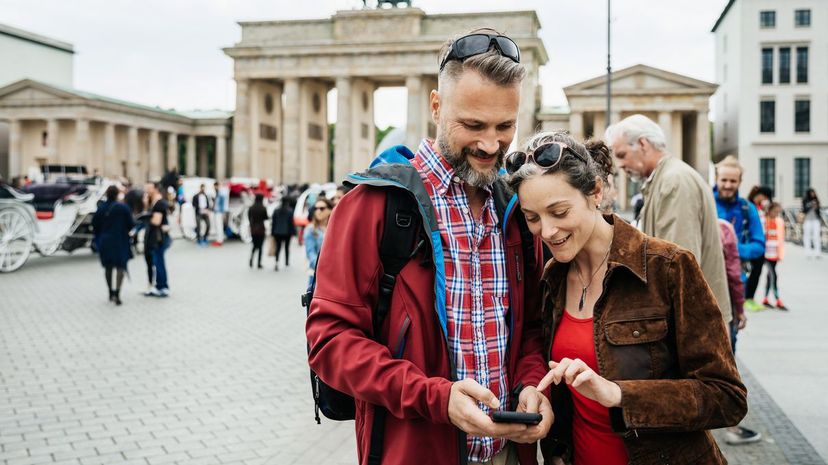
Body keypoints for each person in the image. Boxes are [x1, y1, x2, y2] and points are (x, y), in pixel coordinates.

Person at [306, 29, 551, 465]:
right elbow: (330, 341)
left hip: (508, 454)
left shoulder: (515, 210)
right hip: (415, 451)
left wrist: (532, 384)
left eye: (505, 126)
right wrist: (436, 397)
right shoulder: (372, 206)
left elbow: (530, 328)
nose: (491, 144)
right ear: (436, 106)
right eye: (473, 125)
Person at [506, 131, 747, 465]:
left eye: (559, 212)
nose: (546, 231)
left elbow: (727, 396)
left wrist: (618, 394)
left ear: (595, 191)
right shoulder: (552, 278)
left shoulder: (669, 267)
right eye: (532, 218)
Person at [605, 114, 733, 326]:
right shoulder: (669, 178)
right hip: (693, 318)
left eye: (622, 154)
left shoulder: (674, 181)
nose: (619, 165)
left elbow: (677, 267)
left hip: (693, 323)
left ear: (643, 144)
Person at [713, 155, 766, 312]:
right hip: (706, 279)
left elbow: (759, 244)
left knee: (732, 333)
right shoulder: (704, 203)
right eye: (724, 180)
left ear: (740, 182)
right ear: (716, 178)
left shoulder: (747, 208)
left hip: (734, 282)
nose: (728, 185)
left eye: (733, 181)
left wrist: (734, 250)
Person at [92, 185, 135, 306]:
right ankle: (117, 293)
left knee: (108, 267)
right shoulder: (123, 208)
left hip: (105, 242)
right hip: (120, 241)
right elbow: (131, 224)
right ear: (117, 194)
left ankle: (110, 291)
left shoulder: (101, 208)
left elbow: (95, 225)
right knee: (121, 267)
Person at [144, 182, 171, 297]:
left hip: (159, 238)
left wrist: (145, 218)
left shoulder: (159, 203)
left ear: (155, 189)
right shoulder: (155, 202)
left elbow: (156, 221)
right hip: (158, 237)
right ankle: (160, 285)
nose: (146, 190)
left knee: (158, 261)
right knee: (158, 261)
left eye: (148, 188)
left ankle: (162, 287)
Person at [762, 202, 787, 310]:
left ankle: (765, 298)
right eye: (775, 211)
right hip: (766, 253)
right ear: (770, 210)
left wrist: (780, 254)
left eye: (778, 212)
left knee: (769, 276)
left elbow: (781, 238)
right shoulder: (764, 220)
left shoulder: (778, 222)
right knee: (774, 275)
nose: (777, 214)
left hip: (774, 253)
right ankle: (778, 299)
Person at [303, 197, 331, 287]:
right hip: (316, 275)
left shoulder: (334, 229)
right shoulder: (310, 230)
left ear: (330, 210)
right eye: (316, 208)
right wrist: (323, 268)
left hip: (334, 275)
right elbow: (310, 253)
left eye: (322, 208)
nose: (318, 211)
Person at [270, 197, 296, 270]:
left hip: (277, 232)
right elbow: (291, 223)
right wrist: (293, 232)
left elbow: (273, 222)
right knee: (287, 247)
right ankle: (287, 262)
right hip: (287, 232)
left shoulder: (276, 210)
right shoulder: (290, 211)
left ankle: (277, 261)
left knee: (278, 248)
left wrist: (272, 232)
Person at [247, 193, 269, 269]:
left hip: (253, 229)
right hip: (261, 229)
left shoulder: (251, 208)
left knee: (254, 245)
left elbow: (249, 217)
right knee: (260, 247)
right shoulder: (263, 208)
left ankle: (251, 259)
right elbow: (266, 218)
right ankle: (259, 263)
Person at [802, 188, 823, 259]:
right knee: (807, 236)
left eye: (813, 192)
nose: (813, 194)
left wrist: (816, 206)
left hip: (815, 220)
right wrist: (811, 205)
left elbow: (819, 211)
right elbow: (804, 210)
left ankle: (817, 252)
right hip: (807, 220)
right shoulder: (805, 200)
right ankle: (808, 252)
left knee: (816, 236)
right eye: (811, 193)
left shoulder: (816, 200)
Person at [212, 181, 229, 246]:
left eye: (215, 186)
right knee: (217, 226)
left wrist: (223, 213)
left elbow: (222, 204)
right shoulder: (217, 193)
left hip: (219, 212)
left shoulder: (221, 194)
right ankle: (218, 239)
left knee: (219, 226)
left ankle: (220, 240)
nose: (214, 187)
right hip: (217, 211)